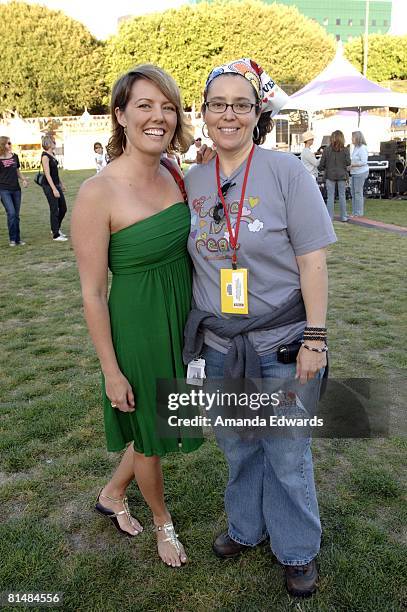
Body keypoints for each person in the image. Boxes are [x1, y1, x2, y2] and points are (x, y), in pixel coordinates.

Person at [183, 58, 337, 598]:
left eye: (241, 104)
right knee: (238, 445)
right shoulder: (193, 178)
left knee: (286, 450)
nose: (230, 114)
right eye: (218, 104)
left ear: (257, 112)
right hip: (220, 346)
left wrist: (314, 338)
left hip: (280, 344)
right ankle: (247, 529)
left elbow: (313, 261)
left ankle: (296, 549)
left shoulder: (286, 171)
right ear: (204, 113)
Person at [71, 64, 203, 568]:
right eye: (145, 105)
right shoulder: (97, 193)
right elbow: (91, 293)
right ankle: (162, 524)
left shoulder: (173, 173)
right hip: (139, 326)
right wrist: (110, 370)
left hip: (183, 317)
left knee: (162, 419)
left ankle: (111, 493)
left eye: (168, 106)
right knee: (150, 433)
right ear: (121, 115)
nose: (159, 117)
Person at [0, 136, 28, 246]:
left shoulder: (15, 156)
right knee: (11, 213)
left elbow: (17, 171)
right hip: (3, 190)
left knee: (16, 215)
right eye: (8, 143)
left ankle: (18, 239)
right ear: (3, 145)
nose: (10, 145)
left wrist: (24, 180)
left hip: (16, 189)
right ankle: (12, 239)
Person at [319, 130, 351, 222]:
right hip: (342, 175)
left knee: (330, 197)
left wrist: (321, 168)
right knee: (342, 196)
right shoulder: (345, 150)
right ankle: (344, 217)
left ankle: (330, 217)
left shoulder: (326, 150)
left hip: (329, 175)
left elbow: (322, 164)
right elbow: (348, 162)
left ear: (331, 138)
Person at [41, 134, 68, 241]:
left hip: (56, 184)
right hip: (49, 186)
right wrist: (54, 189)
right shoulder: (45, 157)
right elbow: (47, 174)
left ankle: (56, 228)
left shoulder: (52, 154)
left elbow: (55, 173)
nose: (55, 143)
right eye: (53, 141)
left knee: (63, 208)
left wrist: (61, 184)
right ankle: (56, 235)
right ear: (48, 143)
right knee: (54, 209)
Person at [349, 130, 369, 217]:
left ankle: (359, 213)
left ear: (357, 138)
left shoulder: (362, 148)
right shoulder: (355, 148)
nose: (351, 139)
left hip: (360, 173)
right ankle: (354, 212)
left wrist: (352, 165)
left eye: (352, 137)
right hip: (354, 172)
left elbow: (364, 162)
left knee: (358, 192)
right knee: (353, 193)